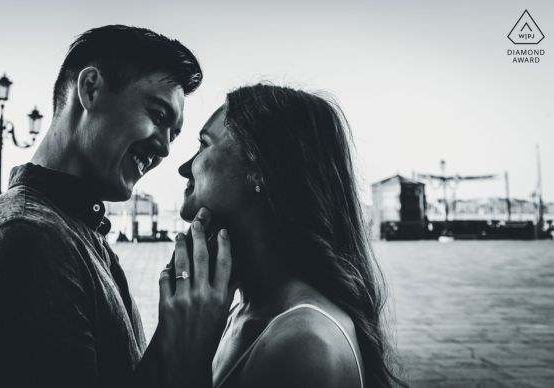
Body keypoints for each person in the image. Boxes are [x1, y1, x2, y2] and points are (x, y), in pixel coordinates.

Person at [0, 25, 234, 388]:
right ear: (90, 89)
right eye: (157, 115)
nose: (165, 149)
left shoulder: (69, 232)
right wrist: (187, 361)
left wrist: (174, 337)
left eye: (173, 135)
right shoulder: (29, 242)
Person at [173, 83, 408, 387]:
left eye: (204, 145)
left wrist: (186, 356)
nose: (183, 167)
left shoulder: (304, 343)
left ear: (258, 167)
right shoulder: (240, 312)